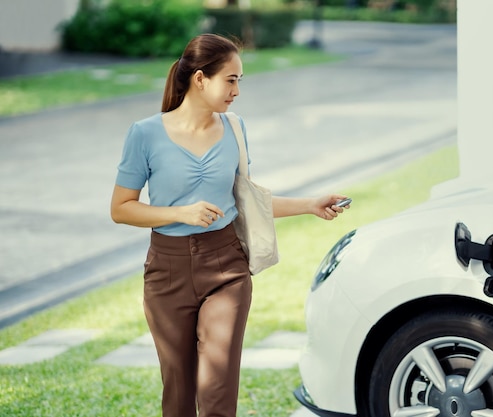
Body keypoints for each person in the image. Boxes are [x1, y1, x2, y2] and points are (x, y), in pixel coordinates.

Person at [109, 33, 349, 417]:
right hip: (166, 271)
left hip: (225, 267)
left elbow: (246, 203)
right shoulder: (145, 133)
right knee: (179, 392)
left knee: (218, 387)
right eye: (231, 79)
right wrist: (179, 213)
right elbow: (121, 208)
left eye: (240, 80)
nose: (237, 90)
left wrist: (308, 204)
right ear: (200, 79)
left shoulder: (234, 129)